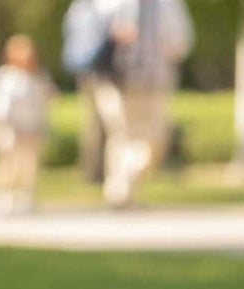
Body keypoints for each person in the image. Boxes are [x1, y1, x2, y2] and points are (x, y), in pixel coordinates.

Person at [63, 0, 194, 207]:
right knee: (133, 137)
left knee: (137, 138)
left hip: (136, 81)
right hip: (127, 80)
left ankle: (121, 186)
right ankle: (122, 190)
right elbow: (179, 43)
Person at [0, 35, 55, 215]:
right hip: (10, 128)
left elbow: (48, 99)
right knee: (7, 165)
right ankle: (2, 196)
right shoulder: (4, 76)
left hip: (32, 128)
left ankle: (25, 197)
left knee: (29, 166)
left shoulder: (38, 76)